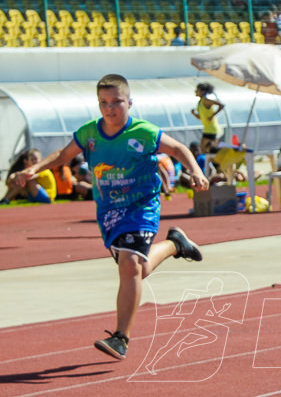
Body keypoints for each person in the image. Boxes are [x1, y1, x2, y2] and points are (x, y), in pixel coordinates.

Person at [11, 73, 208, 359]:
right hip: (109, 213)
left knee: (129, 266)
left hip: (142, 207)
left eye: (116, 102)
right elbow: (62, 156)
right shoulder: (90, 133)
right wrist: (34, 169)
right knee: (137, 270)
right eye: (104, 102)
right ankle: (175, 244)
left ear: (129, 102)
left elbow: (177, 148)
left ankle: (121, 337)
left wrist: (196, 171)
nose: (110, 108)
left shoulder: (143, 131)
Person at [192, 82, 225, 154]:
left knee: (209, 149)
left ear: (203, 91)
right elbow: (200, 117)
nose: (195, 92)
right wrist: (194, 114)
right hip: (207, 129)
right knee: (204, 149)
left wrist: (212, 116)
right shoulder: (199, 103)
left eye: (197, 90)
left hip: (212, 129)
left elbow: (221, 105)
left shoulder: (206, 101)